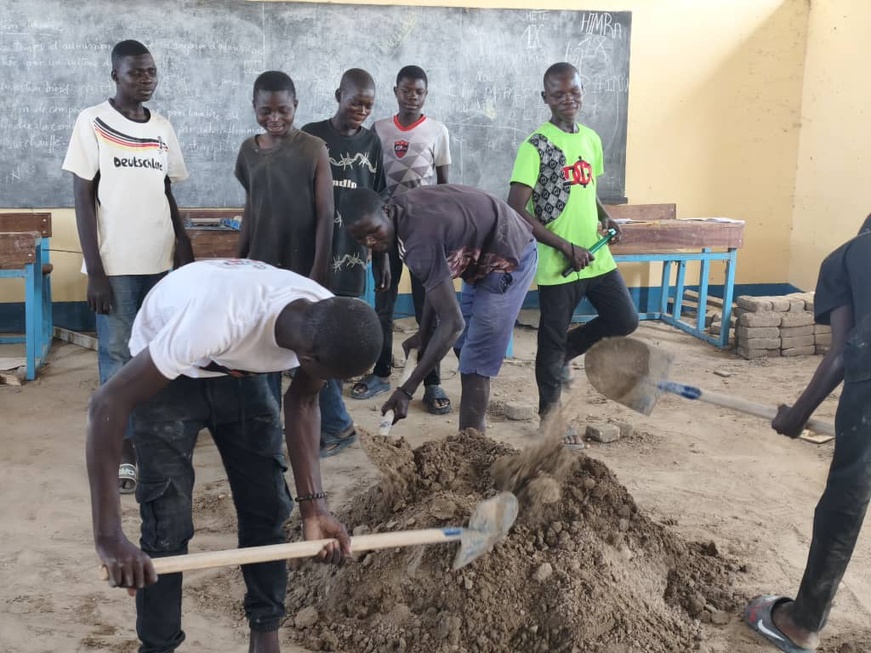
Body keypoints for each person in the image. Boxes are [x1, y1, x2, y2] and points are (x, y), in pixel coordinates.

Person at [87, 258, 383, 653]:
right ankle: (158, 646)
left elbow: (305, 402)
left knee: (266, 508)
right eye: (330, 376)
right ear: (307, 359)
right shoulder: (217, 318)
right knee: (167, 521)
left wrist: (315, 508)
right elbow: (107, 404)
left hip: (240, 373)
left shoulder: (327, 315)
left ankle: (265, 635)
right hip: (170, 374)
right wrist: (109, 537)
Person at [62, 39, 192, 495]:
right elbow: (82, 196)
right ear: (115, 75)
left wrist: (183, 242)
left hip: (159, 259)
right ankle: (124, 446)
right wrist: (93, 269)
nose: (146, 79)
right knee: (117, 356)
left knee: (157, 351)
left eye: (151, 71)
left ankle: (153, 434)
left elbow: (167, 190)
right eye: (136, 72)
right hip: (115, 265)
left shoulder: (162, 128)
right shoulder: (92, 121)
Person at [743, 215, 871, 653]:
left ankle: (801, 623)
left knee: (846, 498)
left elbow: (840, 352)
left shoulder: (847, 256)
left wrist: (796, 417)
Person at [507, 62, 638, 440]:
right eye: (558, 93)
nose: (568, 98)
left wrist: (607, 217)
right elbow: (515, 207)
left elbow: (587, 190)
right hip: (557, 263)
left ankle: (565, 353)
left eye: (574, 91)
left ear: (583, 90)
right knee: (550, 340)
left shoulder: (591, 139)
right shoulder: (536, 146)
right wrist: (565, 246)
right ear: (545, 97)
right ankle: (551, 420)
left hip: (595, 258)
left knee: (625, 319)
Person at [343, 184, 537, 433]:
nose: (371, 241)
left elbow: (453, 322)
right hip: (482, 255)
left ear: (386, 212)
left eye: (373, 231)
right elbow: (436, 283)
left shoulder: (416, 239)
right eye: (361, 239)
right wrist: (423, 335)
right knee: (462, 345)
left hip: (509, 256)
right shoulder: (402, 212)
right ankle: (472, 432)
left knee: (474, 360)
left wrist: (407, 390)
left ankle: (472, 445)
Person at [353, 65, 453, 416]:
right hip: (386, 232)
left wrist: (443, 232)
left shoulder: (437, 131)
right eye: (406, 90)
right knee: (384, 300)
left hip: (424, 234)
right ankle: (381, 371)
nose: (412, 96)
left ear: (426, 95)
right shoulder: (377, 130)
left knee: (431, 308)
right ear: (395, 91)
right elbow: (371, 180)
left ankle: (432, 381)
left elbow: (443, 188)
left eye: (419, 92)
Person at [301, 68, 389, 458]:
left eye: (368, 105)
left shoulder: (371, 143)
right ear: (339, 95)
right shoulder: (310, 136)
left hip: (352, 261)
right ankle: (332, 423)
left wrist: (381, 258)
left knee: (332, 343)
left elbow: (380, 203)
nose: (361, 111)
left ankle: (335, 426)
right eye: (355, 102)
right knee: (314, 342)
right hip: (313, 257)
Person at [235, 70, 334, 405]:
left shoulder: (313, 150)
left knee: (312, 352)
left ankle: (336, 424)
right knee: (266, 343)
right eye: (266, 111)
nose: (274, 118)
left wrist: (317, 273)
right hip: (263, 267)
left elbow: (325, 216)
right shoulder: (249, 151)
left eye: (283, 110)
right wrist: (239, 260)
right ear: (254, 107)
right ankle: (269, 421)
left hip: (303, 266)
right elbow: (251, 207)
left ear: (296, 105)